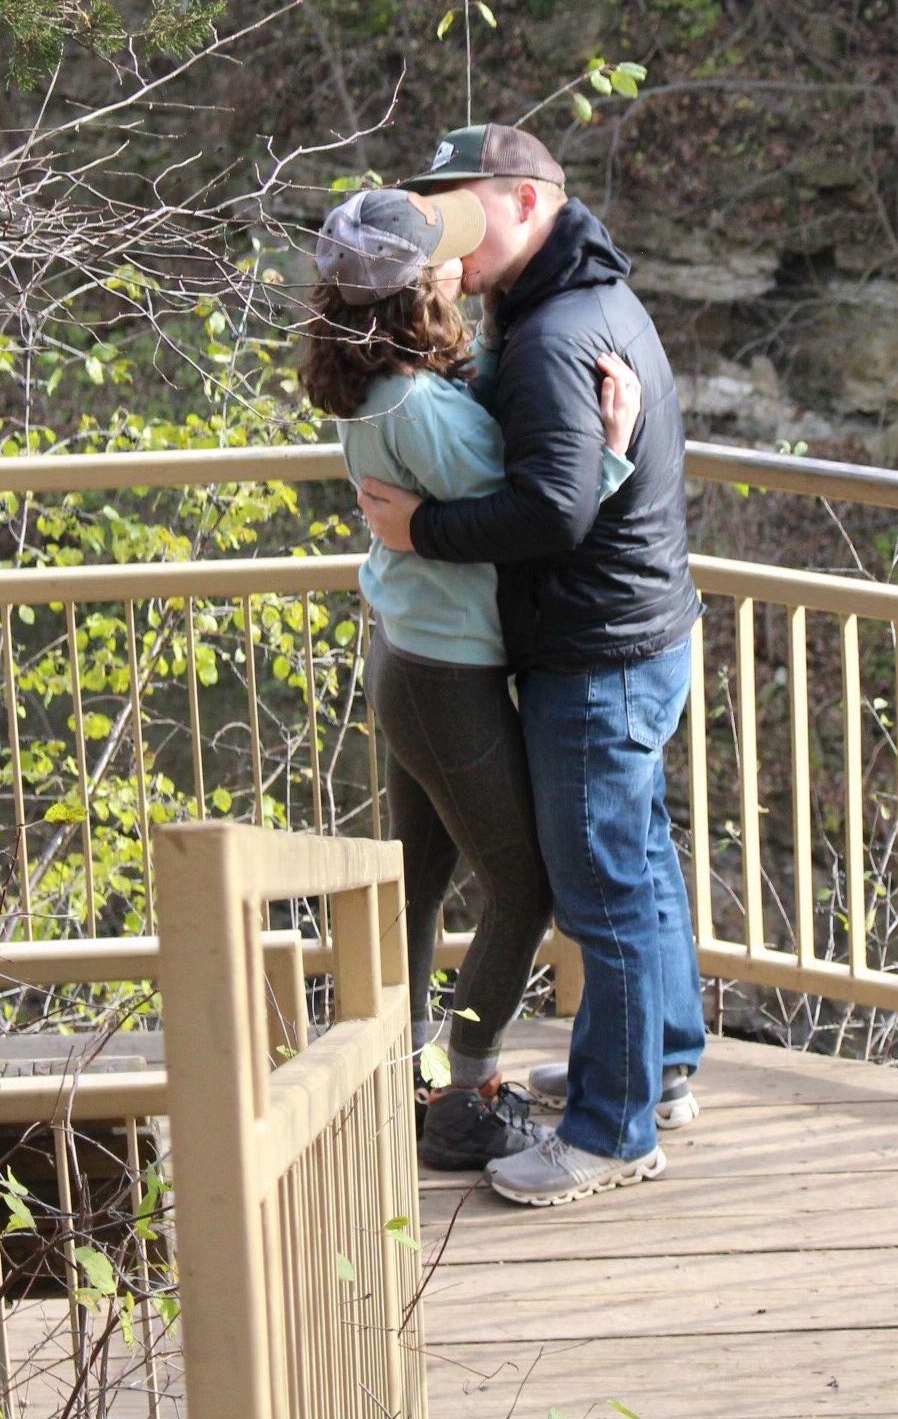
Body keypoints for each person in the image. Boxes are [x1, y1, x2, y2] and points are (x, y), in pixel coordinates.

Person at [355, 123, 707, 1207]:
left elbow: (553, 509)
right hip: (640, 631)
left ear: (523, 201)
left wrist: (420, 534)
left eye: (460, 206)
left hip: (594, 652)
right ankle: (660, 1063)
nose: (446, 232)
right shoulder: (580, 296)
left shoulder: (554, 335)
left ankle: (611, 1130)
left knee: (597, 888)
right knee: (637, 860)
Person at [299, 183, 643, 1171]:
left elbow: (465, 426)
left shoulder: (385, 384)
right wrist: (611, 453)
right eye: (444, 259)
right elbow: (535, 507)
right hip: (447, 674)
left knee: (418, 882)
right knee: (522, 886)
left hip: (409, 658)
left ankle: (406, 1076)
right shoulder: (417, 406)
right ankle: (465, 1088)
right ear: (417, 294)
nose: (463, 262)